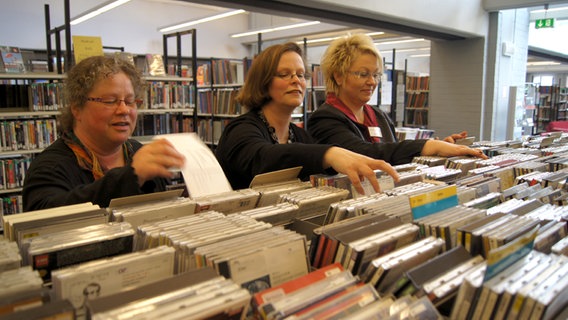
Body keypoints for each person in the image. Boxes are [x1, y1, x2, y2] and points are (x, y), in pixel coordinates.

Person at [215, 42, 399, 195]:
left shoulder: (299, 135)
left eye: (301, 74)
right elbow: (263, 158)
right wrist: (330, 154)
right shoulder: (240, 129)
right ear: (263, 82)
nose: (296, 80)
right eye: (284, 74)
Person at [22, 56, 185, 211]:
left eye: (130, 101)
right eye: (109, 101)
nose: (124, 110)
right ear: (77, 108)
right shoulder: (49, 168)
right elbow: (48, 220)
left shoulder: (139, 153)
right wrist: (132, 176)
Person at [307, 33, 487, 165]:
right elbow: (363, 153)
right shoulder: (324, 119)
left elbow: (392, 153)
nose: (371, 82)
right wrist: (428, 146)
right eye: (363, 74)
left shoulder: (378, 115)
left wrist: (439, 148)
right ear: (338, 76)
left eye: (376, 75)